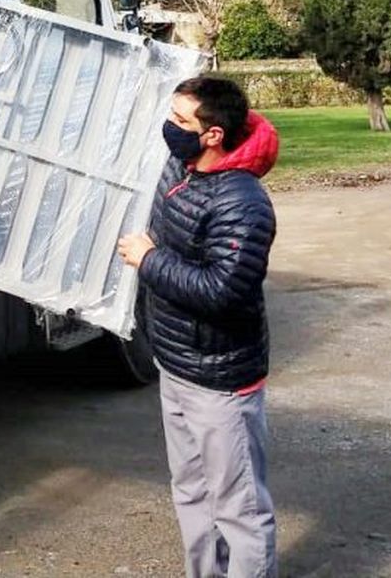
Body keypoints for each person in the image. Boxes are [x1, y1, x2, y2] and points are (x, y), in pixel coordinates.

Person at [117, 75, 280, 578]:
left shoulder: (243, 202)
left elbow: (222, 293)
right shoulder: (182, 166)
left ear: (213, 135)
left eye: (180, 120)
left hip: (221, 382)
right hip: (176, 363)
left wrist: (148, 261)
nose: (170, 127)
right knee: (190, 491)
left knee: (240, 509)